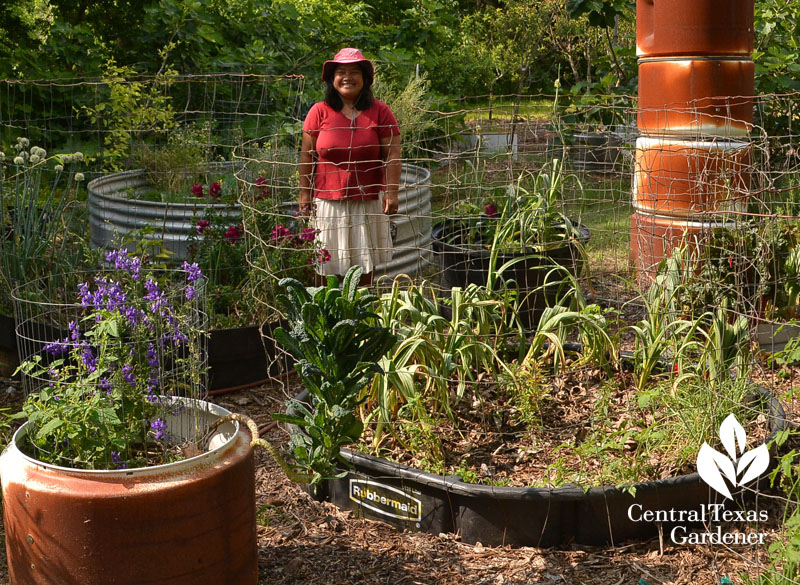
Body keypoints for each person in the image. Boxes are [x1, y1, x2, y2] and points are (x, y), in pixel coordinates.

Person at [299, 47, 402, 286]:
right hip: (327, 202)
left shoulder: (381, 112)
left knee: (363, 261)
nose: (348, 77)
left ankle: (359, 312)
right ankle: (329, 313)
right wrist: (304, 193)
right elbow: (307, 155)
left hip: (366, 201)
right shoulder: (319, 112)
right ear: (332, 79)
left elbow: (393, 154)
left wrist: (392, 191)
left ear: (365, 79)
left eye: (355, 71)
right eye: (341, 72)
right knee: (326, 262)